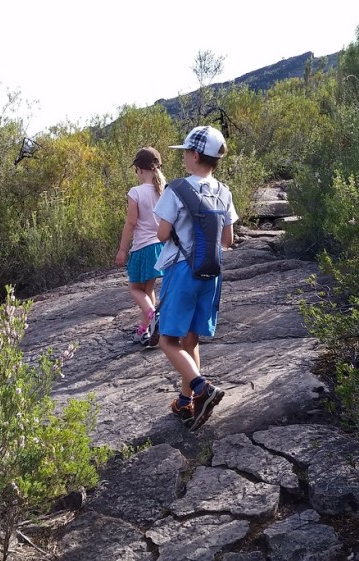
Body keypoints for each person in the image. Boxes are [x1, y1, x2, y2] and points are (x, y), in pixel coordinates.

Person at [154, 125, 239, 431]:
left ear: (194, 155)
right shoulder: (224, 191)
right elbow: (228, 239)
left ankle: (202, 389)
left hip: (181, 270)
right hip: (211, 273)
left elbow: (162, 233)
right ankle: (185, 400)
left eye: (186, 153)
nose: (184, 158)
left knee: (167, 339)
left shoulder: (176, 189)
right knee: (191, 338)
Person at [115, 147, 166, 344]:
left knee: (134, 288)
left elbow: (131, 223)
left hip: (142, 248)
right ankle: (144, 330)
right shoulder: (163, 189)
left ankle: (154, 317)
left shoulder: (136, 192)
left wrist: (122, 250)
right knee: (147, 291)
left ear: (139, 169)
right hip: (159, 248)